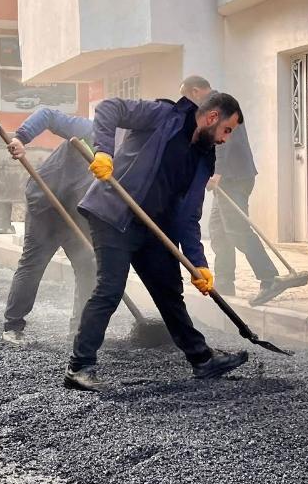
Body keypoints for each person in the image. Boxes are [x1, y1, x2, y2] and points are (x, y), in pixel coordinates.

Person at [64, 90, 246, 392]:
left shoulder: (203, 159)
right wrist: (104, 151)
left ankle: (202, 359)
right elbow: (110, 108)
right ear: (212, 117)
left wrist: (198, 265)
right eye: (227, 129)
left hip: (152, 229)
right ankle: (79, 367)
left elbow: (188, 216)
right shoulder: (163, 116)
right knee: (110, 288)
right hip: (115, 215)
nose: (225, 138)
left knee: (169, 292)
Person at [182, 76, 291, 306]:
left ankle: (269, 277)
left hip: (233, 177)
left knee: (237, 230)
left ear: (194, 92)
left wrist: (217, 172)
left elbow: (224, 139)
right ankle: (224, 283)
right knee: (219, 231)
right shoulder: (217, 103)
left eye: (187, 99)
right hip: (233, 177)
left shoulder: (216, 105)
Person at [1, 106, 97, 344]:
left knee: (89, 266)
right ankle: (12, 327)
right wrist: (20, 138)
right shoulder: (92, 130)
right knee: (34, 262)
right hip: (46, 203)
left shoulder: (127, 156)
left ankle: (79, 331)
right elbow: (48, 115)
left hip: (78, 213)